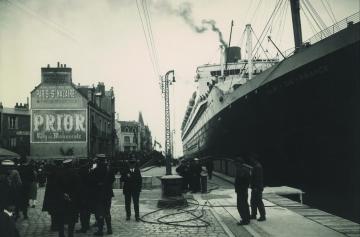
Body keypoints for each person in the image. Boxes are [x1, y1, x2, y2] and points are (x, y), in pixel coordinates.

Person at [53, 159, 81, 237]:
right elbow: (78, 188)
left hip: (61, 199)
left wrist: (63, 194)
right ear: (71, 165)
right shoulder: (75, 174)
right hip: (72, 200)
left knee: (61, 218)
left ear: (64, 165)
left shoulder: (59, 174)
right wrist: (72, 196)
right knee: (71, 218)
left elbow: (56, 187)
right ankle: (70, 234)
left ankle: (61, 234)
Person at [92, 154, 115, 236]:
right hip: (108, 193)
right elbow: (113, 180)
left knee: (99, 213)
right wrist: (107, 185)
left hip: (98, 194)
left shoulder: (95, 170)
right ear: (104, 160)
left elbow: (93, 182)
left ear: (98, 160)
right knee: (107, 211)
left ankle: (100, 231)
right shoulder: (109, 169)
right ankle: (109, 229)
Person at [247, 153, 266, 221]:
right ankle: (253, 214)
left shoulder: (257, 167)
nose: (250, 160)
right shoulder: (256, 166)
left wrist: (256, 187)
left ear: (254, 159)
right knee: (253, 201)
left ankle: (263, 216)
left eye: (251, 158)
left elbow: (257, 178)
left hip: (257, 187)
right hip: (256, 187)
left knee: (258, 202)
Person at [75, 161, 92, 234]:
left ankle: (84, 227)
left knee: (82, 212)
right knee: (87, 211)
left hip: (82, 194)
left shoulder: (80, 172)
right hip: (88, 194)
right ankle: (87, 225)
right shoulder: (89, 172)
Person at [234, 157, 251, 225]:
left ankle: (245, 220)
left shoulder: (241, 170)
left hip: (241, 190)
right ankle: (247, 218)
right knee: (245, 204)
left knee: (240, 205)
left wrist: (238, 188)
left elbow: (240, 180)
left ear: (239, 163)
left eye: (236, 162)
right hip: (244, 190)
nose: (235, 164)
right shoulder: (246, 169)